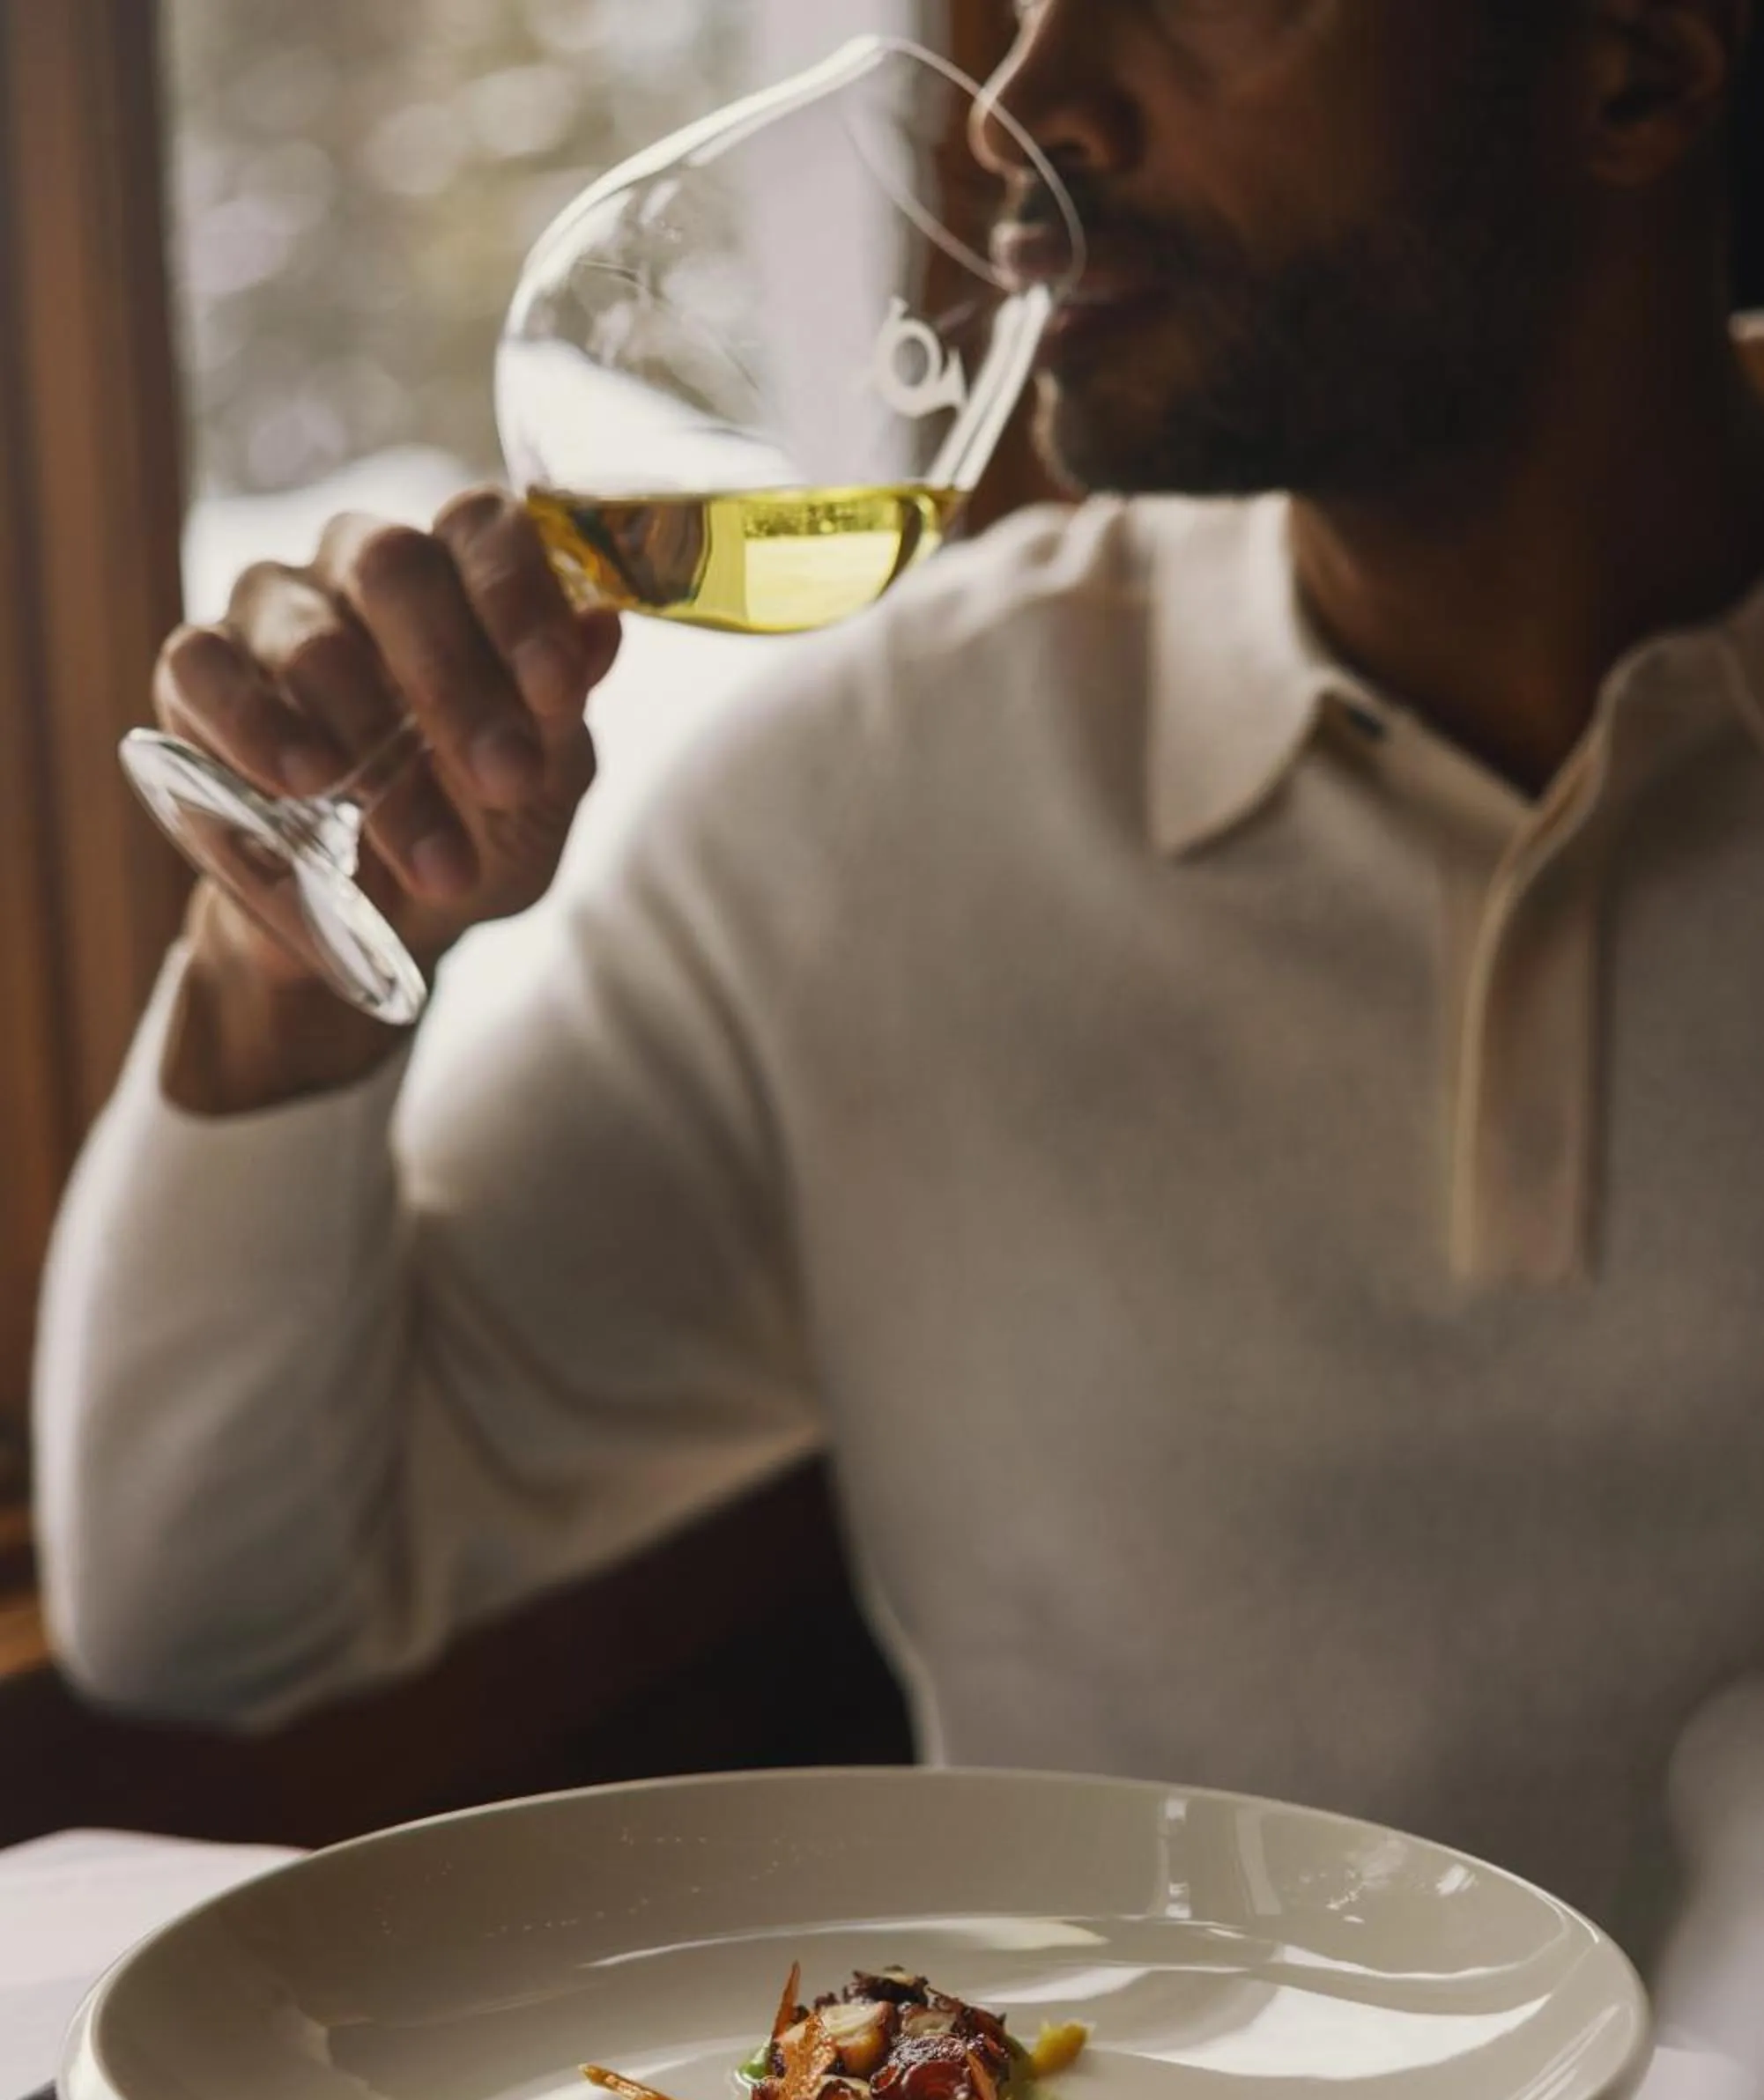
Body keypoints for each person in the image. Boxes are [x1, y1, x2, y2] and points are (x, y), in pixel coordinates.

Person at [33, 0, 1764, 1960]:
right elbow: (215, 1610)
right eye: (1022, 5)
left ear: (1632, 63)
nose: (1025, 109)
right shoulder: (869, 798)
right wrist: (288, 967)